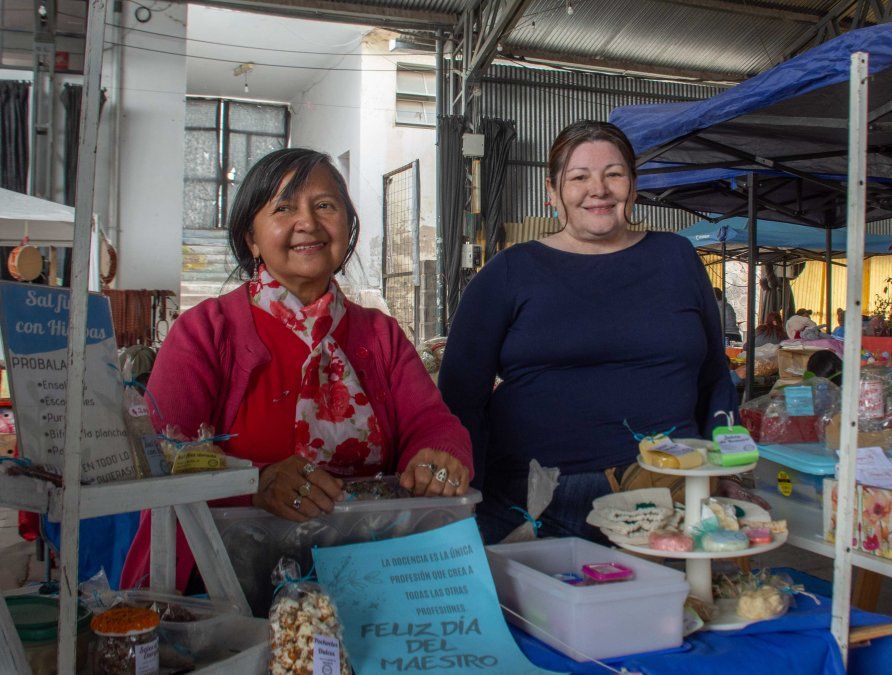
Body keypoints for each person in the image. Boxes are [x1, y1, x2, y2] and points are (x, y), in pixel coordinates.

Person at [121, 148, 472, 590]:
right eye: (284, 208)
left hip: (365, 576)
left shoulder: (379, 335)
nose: (307, 222)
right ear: (251, 237)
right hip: (220, 582)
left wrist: (439, 454)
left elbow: (433, 424)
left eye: (325, 205)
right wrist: (255, 481)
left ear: (348, 225)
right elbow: (160, 458)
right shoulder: (205, 331)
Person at [438, 120, 738, 544]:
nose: (598, 189)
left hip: (667, 491)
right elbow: (460, 397)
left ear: (632, 188)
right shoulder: (511, 271)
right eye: (579, 177)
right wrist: (464, 497)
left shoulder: (676, 258)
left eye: (613, 174)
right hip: (539, 498)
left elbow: (713, 374)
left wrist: (726, 468)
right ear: (552, 192)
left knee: (672, 610)